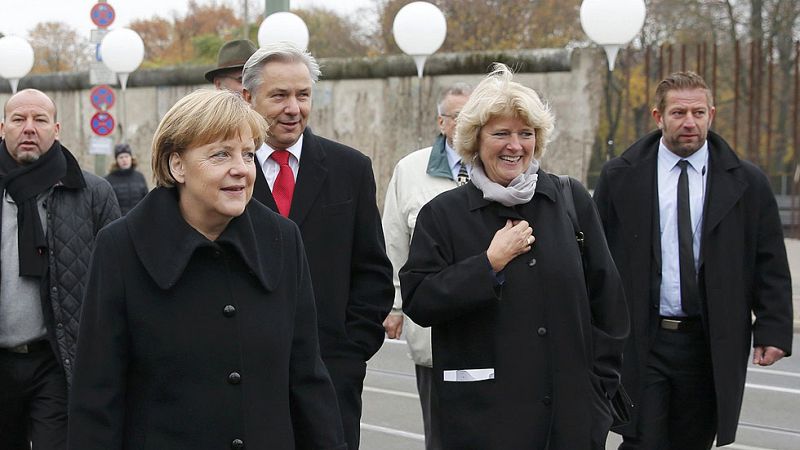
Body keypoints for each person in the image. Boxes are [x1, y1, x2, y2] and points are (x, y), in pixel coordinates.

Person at [67, 89, 347, 450]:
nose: (241, 170)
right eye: (220, 154)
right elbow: (97, 392)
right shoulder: (122, 247)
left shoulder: (282, 239)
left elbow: (307, 376)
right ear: (176, 165)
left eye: (248, 154)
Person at [400, 63, 629, 449]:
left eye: (526, 133)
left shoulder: (570, 201)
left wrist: (598, 391)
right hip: (482, 420)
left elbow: (608, 303)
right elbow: (419, 300)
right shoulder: (443, 214)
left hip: (569, 418)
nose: (515, 145)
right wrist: (487, 264)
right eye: (501, 133)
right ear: (475, 138)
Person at [593, 71, 794, 449]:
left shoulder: (748, 183)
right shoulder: (620, 177)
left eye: (699, 113)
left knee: (693, 441)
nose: (690, 122)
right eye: (679, 113)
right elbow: (595, 260)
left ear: (712, 114)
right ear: (658, 117)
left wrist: (773, 327)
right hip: (642, 338)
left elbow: (769, 261)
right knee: (641, 440)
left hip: (710, 342)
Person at [242, 42, 394, 449]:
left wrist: (352, 352)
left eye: (303, 95)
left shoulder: (350, 169)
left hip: (331, 375)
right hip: (245, 377)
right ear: (247, 98)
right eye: (279, 96)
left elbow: (373, 271)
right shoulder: (227, 173)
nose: (294, 108)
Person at [0, 89, 120, 450]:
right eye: (19, 120)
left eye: (39, 120)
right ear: (2, 128)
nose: (29, 128)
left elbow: (118, 281)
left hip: (57, 360)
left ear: (57, 128)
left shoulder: (92, 193)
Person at [382, 82, 472, 450]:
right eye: (459, 117)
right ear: (442, 122)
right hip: (434, 322)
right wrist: (395, 306)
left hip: (492, 321)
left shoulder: (501, 164)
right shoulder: (411, 169)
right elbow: (394, 241)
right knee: (440, 431)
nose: (468, 125)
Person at [105, 143, 148, 215]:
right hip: (118, 221)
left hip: (138, 220)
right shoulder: (108, 179)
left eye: (126, 156)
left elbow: (146, 200)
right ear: (116, 160)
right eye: (121, 157)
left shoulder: (139, 177)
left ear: (131, 158)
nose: (124, 160)